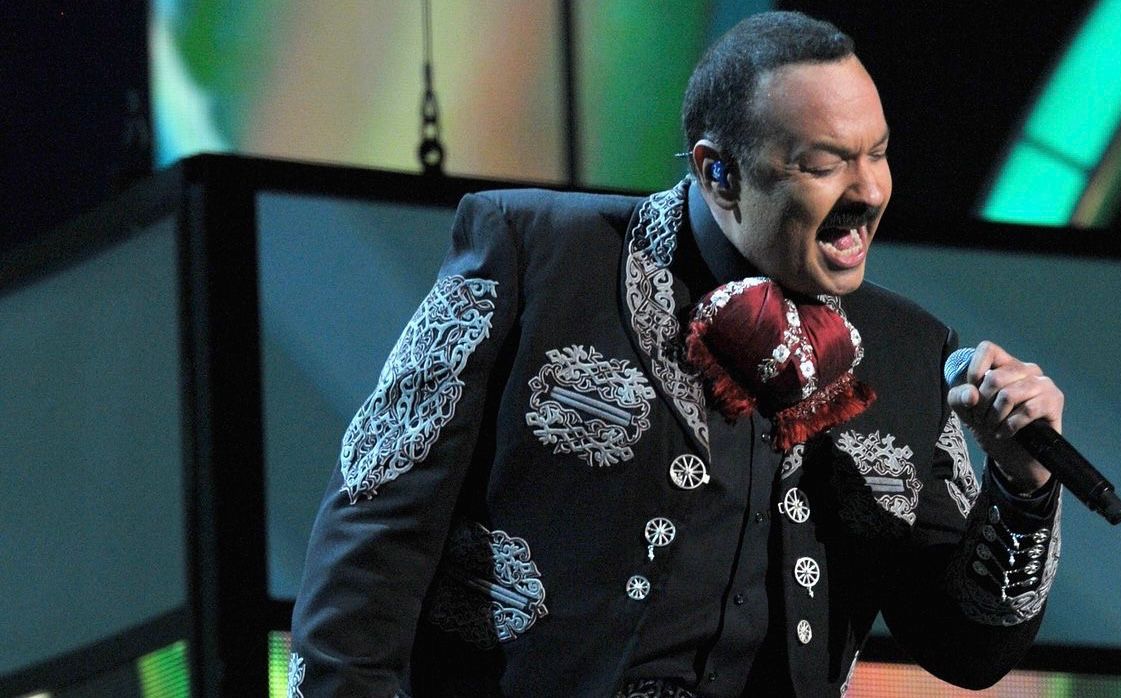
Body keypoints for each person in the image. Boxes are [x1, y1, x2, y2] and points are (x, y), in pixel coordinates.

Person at [289, 11, 1063, 697]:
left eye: (878, 154)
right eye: (824, 164)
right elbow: (373, 533)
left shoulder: (907, 352)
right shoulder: (536, 256)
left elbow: (967, 649)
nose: (868, 191)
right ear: (717, 172)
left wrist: (1023, 486)